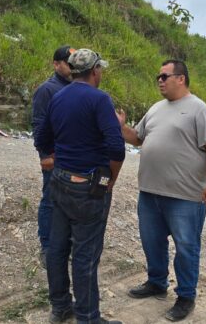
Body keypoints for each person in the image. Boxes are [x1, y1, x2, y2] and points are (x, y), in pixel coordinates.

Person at [117, 59, 206, 321]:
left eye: (164, 76)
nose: (160, 81)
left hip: (185, 197)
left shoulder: (198, 109)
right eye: (158, 77)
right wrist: (120, 127)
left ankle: (186, 297)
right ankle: (156, 282)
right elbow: (138, 138)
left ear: (181, 79)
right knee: (152, 242)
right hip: (151, 192)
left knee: (186, 247)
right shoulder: (156, 108)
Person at [34, 48, 124, 324]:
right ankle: (87, 318)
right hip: (88, 188)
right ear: (95, 70)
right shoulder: (100, 100)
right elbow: (116, 149)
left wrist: (59, 157)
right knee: (85, 255)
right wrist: (109, 182)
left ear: (72, 70)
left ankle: (60, 308)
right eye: (100, 70)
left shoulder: (57, 96)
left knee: (57, 248)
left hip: (60, 182)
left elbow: (42, 138)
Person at [32, 45, 75, 267]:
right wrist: (45, 154)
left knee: (69, 202)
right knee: (50, 200)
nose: (72, 66)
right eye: (68, 62)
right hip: (55, 158)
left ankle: (64, 244)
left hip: (74, 159)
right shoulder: (47, 90)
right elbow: (39, 125)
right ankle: (47, 247)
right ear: (56, 64)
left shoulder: (77, 87)